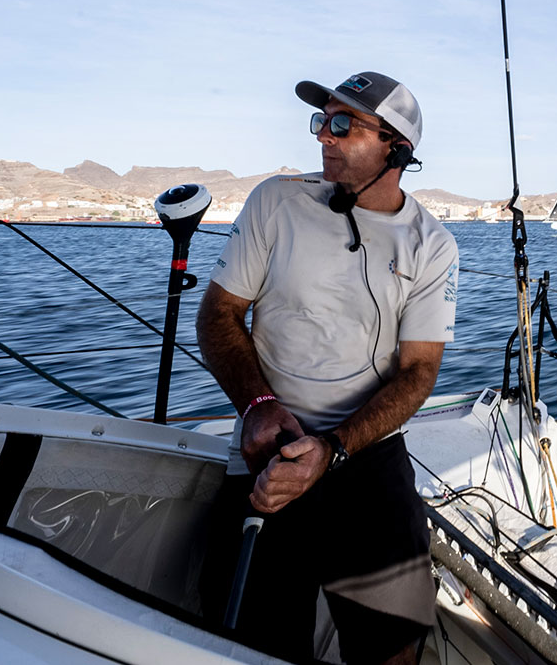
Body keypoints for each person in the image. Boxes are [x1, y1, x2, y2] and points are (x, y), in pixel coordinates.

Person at [196, 71, 457, 665]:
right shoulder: (275, 202)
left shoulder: (431, 245)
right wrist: (259, 408)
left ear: (398, 148)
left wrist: (335, 448)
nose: (324, 137)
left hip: (367, 456)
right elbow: (219, 314)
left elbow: (418, 372)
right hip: (270, 447)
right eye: (322, 122)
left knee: (394, 649)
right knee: (252, 642)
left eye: (343, 124)